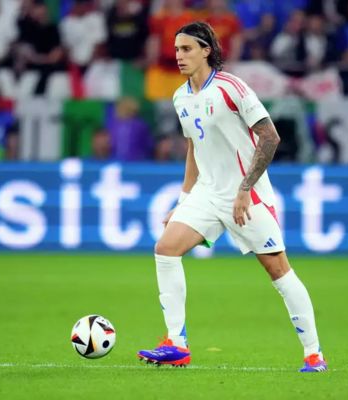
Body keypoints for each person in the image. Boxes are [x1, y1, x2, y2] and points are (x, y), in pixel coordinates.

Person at [137, 21, 327, 373]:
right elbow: (194, 150)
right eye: (177, 50)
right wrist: (183, 200)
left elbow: (270, 138)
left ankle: (314, 354)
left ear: (206, 50)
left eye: (187, 49)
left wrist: (244, 190)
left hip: (247, 195)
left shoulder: (231, 87)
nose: (179, 56)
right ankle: (176, 343)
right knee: (165, 249)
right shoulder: (181, 97)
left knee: (278, 271)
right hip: (208, 193)